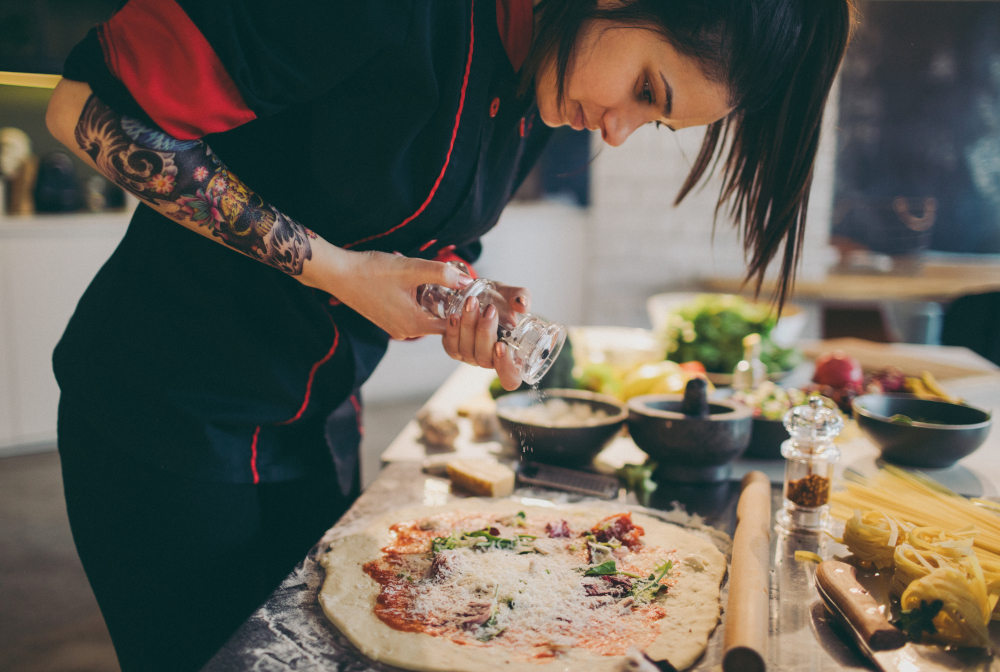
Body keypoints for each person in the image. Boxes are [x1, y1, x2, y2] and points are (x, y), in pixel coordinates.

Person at [45, 0, 854, 670]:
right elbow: (89, 106)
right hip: (165, 415)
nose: (617, 129)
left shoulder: (544, 75)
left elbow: (397, 217)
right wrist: (338, 271)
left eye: (654, 121)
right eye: (646, 88)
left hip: (313, 424)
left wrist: (458, 290)